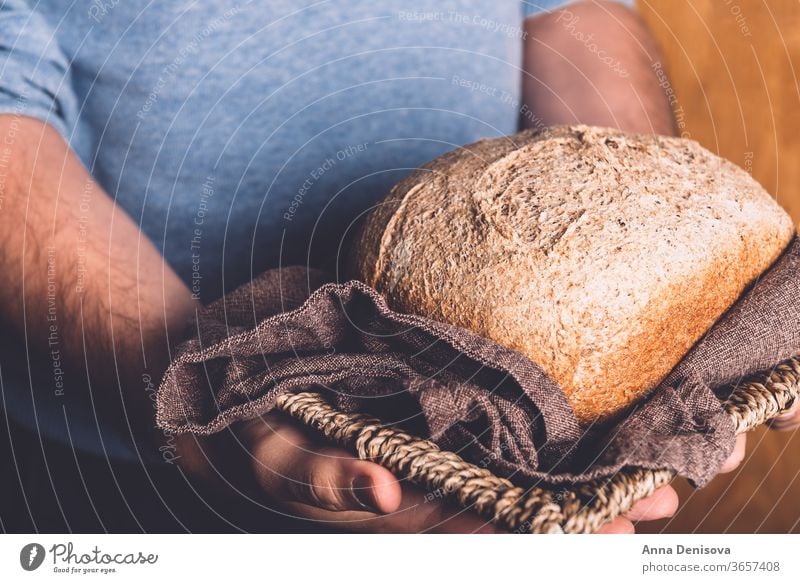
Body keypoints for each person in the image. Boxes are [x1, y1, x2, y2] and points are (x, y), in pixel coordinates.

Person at [1, 0, 788, 534]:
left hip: (500, 433)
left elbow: (565, 10)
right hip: (119, 456)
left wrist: (658, 239)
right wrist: (197, 383)